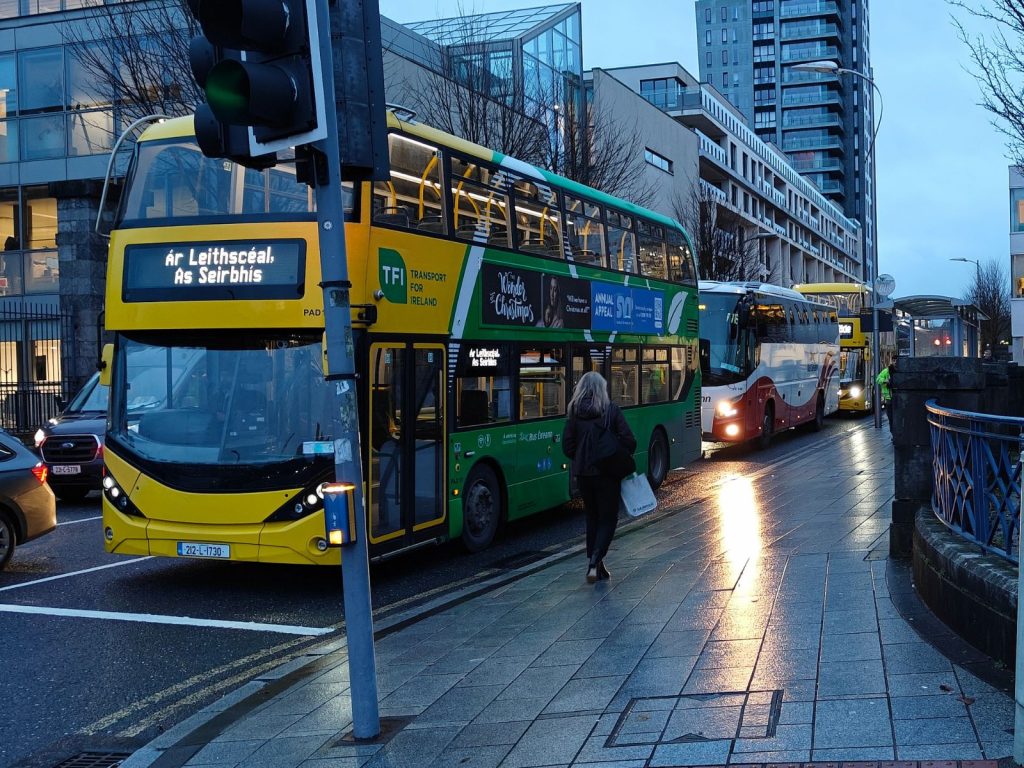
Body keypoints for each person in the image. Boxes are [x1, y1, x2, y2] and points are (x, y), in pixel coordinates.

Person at [561, 371, 636, 583]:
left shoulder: (574, 413)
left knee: (592, 517)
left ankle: (596, 565)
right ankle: (596, 559)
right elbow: (629, 440)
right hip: (607, 474)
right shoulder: (611, 410)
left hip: (583, 475)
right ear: (602, 388)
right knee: (609, 518)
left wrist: (582, 456)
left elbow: (568, 447)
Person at [876, 357, 896, 434]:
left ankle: (896, 433)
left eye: (896, 361)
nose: (895, 363)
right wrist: (885, 381)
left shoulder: (900, 370)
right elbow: (878, 379)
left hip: (898, 398)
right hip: (889, 398)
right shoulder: (886, 371)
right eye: (894, 361)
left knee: (896, 417)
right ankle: (893, 434)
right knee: (891, 418)